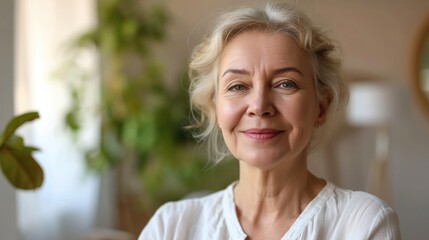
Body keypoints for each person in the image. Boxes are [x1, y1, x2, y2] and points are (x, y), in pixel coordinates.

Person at [138, 2, 401, 239]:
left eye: (285, 84)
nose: (259, 106)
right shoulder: (170, 227)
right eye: (238, 86)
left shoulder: (362, 224)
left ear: (321, 107)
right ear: (215, 107)